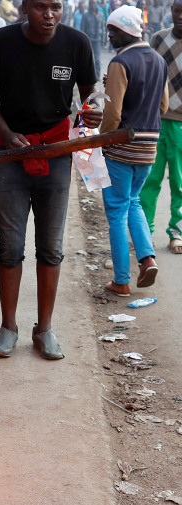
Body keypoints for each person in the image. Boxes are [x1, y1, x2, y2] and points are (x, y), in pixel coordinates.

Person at [0, 0, 103, 360]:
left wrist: (91, 111)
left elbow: (90, 94)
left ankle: (44, 329)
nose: (49, 15)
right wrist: (4, 131)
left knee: (50, 247)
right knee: (10, 246)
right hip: (11, 155)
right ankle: (8, 327)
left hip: (57, 153)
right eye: (40, 7)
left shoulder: (76, 43)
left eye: (56, 7)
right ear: (24, 8)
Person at [100, 6, 168, 296]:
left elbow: (113, 114)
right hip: (149, 148)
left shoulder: (121, 62)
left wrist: (100, 139)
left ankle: (122, 280)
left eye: (112, 31)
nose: (109, 36)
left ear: (125, 31)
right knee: (134, 202)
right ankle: (147, 258)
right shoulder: (158, 60)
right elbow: (162, 107)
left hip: (122, 149)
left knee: (116, 210)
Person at [140, 0, 182, 254]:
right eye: (177, 11)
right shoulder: (158, 39)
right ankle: (143, 234)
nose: (180, 17)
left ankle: (177, 233)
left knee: (180, 182)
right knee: (150, 180)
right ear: (171, 12)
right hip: (154, 121)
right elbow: (144, 70)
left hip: (181, 126)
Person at [82, 0, 105, 75]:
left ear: (96, 4)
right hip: (88, 39)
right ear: (89, 4)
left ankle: (97, 75)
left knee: (97, 59)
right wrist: (83, 40)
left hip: (98, 39)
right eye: (91, 3)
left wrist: (103, 40)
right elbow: (83, 28)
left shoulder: (101, 15)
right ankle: (87, 75)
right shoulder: (85, 15)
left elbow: (103, 28)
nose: (93, 5)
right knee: (87, 58)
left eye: (94, 3)